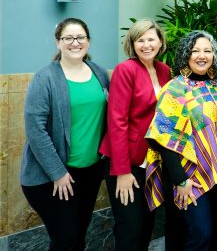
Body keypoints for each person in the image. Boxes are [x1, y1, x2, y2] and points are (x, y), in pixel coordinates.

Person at [20, 18, 110, 250]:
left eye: (80, 37)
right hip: (52, 175)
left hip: (90, 172)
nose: (75, 42)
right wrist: (58, 173)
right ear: (58, 42)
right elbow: (35, 130)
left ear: (88, 41)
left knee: (77, 236)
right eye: (68, 38)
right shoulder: (45, 78)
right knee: (66, 238)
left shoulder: (99, 73)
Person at [144, 30, 217, 251]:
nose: (202, 55)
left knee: (216, 235)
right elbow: (164, 139)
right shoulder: (175, 88)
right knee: (200, 235)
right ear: (186, 55)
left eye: (207, 51)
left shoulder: (216, 86)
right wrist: (180, 180)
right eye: (195, 51)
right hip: (189, 177)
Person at [99, 20, 171, 251]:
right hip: (126, 162)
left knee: (147, 225)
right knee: (130, 228)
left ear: (160, 42)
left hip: (152, 161)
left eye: (151, 39)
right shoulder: (125, 69)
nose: (146, 45)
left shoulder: (164, 70)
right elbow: (117, 121)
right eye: (140, 40)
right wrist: (122, 171)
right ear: (132, 44)